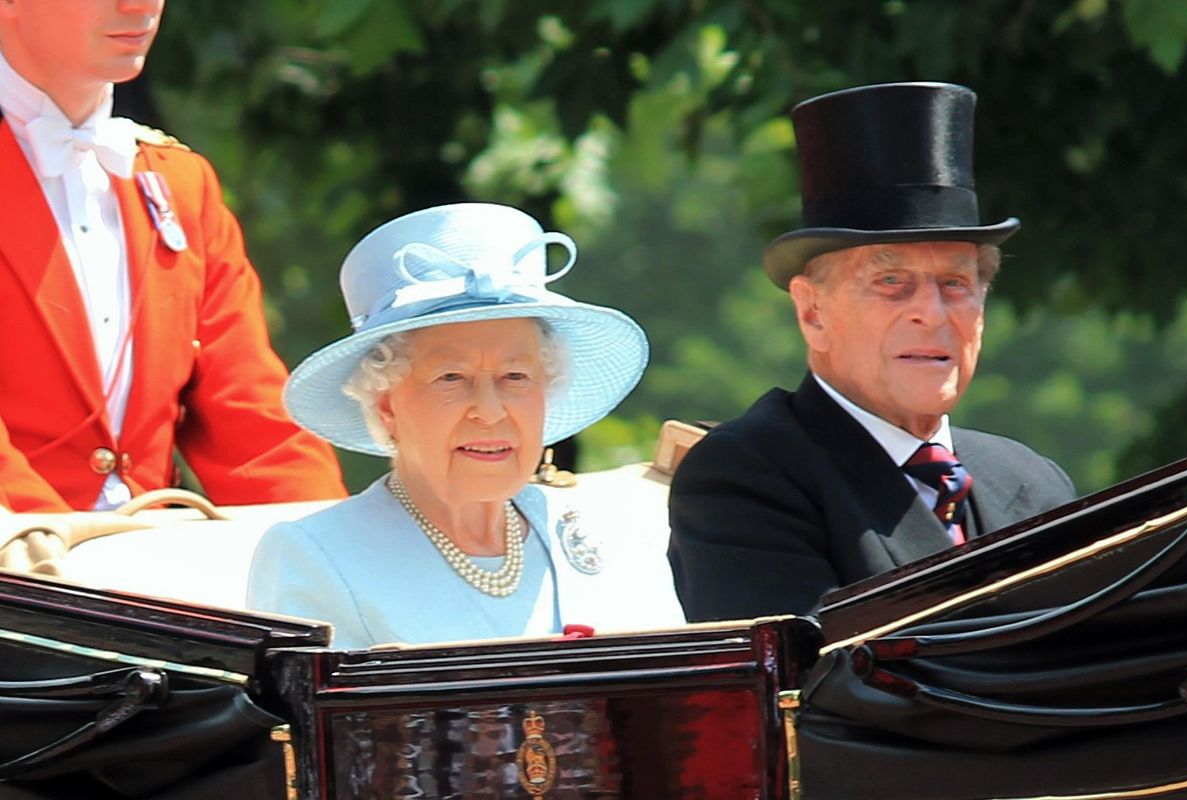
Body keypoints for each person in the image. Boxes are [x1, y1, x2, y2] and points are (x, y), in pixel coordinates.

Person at [667, 82, 1077, 622]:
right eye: (891, 281)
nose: (931, 313)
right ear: (812, 312)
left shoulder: (1032, 481)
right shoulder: (746, 477)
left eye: (955, 283)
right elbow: (821, 692)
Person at [247, 203, 685, 647]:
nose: (490, 411)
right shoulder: (316, 555)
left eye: (515, 377)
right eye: (451, 378)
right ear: (387, 406)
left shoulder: (618, 539)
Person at [0, 0, 346, 511]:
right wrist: (58, 562)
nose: (138, 6)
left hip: (144, 570)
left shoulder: (181, 184)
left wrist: (330, 553)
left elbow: (253, 423)